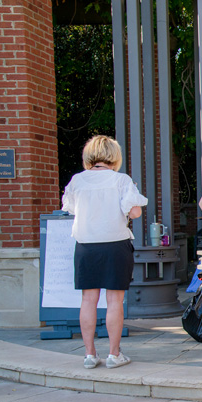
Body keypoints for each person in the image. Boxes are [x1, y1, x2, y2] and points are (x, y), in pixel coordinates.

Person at [62, 135, 147, 370]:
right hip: (115, 244)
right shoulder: (121, 180)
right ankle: (114, 354)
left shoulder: (77, 180)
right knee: (114, 300)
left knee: (88, 300)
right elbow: (135, 213)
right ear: (114, 155)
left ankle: (89, 354)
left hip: (86, 245)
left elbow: (70, 209)